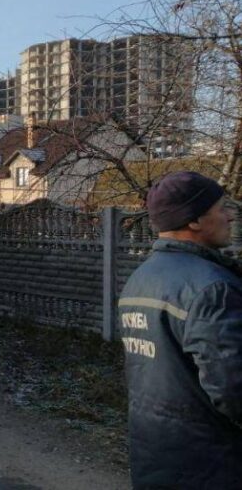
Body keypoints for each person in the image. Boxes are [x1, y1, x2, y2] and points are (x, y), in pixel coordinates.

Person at [120, 171, 242, 488]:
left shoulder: (140, 279)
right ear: (195, 221)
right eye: (221, 208)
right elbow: (233, 389)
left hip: (155, 455)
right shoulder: (212, 288)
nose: (230, 216)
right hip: (212, 466)